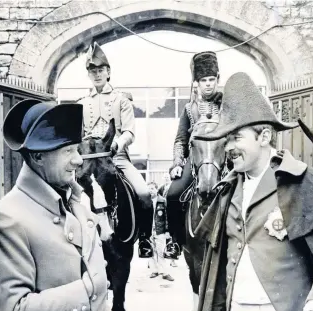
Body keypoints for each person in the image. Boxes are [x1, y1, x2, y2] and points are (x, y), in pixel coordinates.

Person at [192, 72, 313, 311]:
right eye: (226, 140)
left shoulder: (300, 181)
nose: (229, 148)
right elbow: (219, 264)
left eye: (236, 138)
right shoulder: (227, 190)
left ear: (264, 136)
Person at [0, 99, 121, 311]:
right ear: (38, 157)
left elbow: (101, 306)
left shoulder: (78, 204)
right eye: (68, 151)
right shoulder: (7, 217)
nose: (79, 160)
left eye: (77, 149)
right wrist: (89, 289)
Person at [78, 42, 153, 257]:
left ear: (108, 72)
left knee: (144, 193)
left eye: (101, 70)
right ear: (89, 75)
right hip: (88, 160)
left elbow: (129, 132)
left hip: (116, 158)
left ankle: (145, 240)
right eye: (93, 71)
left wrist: (117, 144)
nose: (97, 75)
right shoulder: (81, 103)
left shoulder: (121, 100)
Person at [166, 51, 223, 247]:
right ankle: (175, 241)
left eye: (211, 79)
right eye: (203, 80)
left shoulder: (227, 104)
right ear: (197, 83)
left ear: (217, 79)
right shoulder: (189, 109)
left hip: (223, 159)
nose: (208, 84)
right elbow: (181, 140)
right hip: (196, 159)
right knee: (173, 194)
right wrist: (177, 163)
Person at [147, 181, 175, 281]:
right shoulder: (146, 202)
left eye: (152, 188)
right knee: (151, 251)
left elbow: (167, 216)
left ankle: (165, 272)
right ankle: (154, 270)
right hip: (149, 231)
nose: (150, 191)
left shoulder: (162, 201)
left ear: (156, 189)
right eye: (149, 189)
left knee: (161, 251)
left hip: (160, 230)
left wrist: (167, 230)